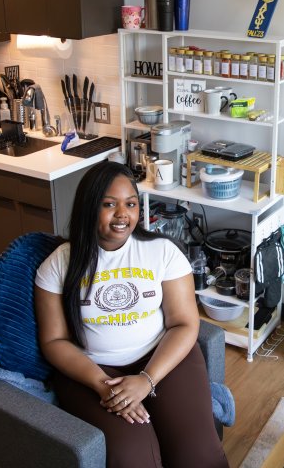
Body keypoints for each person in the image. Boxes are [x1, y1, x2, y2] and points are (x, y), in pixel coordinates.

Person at [34, 161, 228, 468]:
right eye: (109, 204)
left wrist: (146, 380)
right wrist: (101, 384)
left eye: (131, 204)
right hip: (94, 371)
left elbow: (184, 323)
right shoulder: (59, 264)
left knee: (198, 455)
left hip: (161, 359)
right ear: (88, 207)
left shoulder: (163, 252)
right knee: (133, 456)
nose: (122, 214)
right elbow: (54, 341)